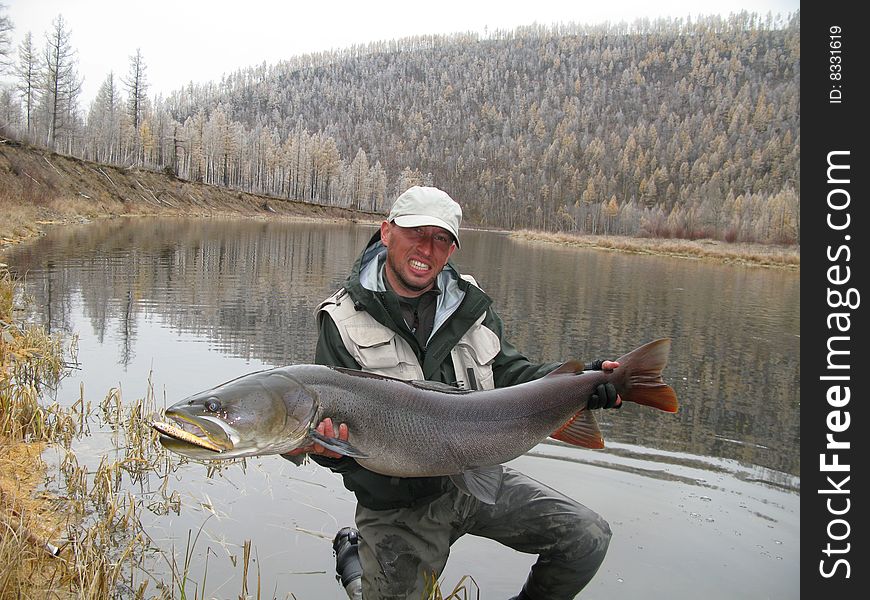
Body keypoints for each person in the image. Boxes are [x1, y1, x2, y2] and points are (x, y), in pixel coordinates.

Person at [287, 186, 622, 600]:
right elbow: (334, 444)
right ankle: (354, 563)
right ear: (387, 232)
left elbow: (510, 375)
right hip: (398, 507)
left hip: (476, 476)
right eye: (416, 233)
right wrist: (331, 453)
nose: (427, 249)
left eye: (441, 239)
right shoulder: (340, 321)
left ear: (451, 249)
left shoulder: (469, 303)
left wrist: (579, 381)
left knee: (587, 537)